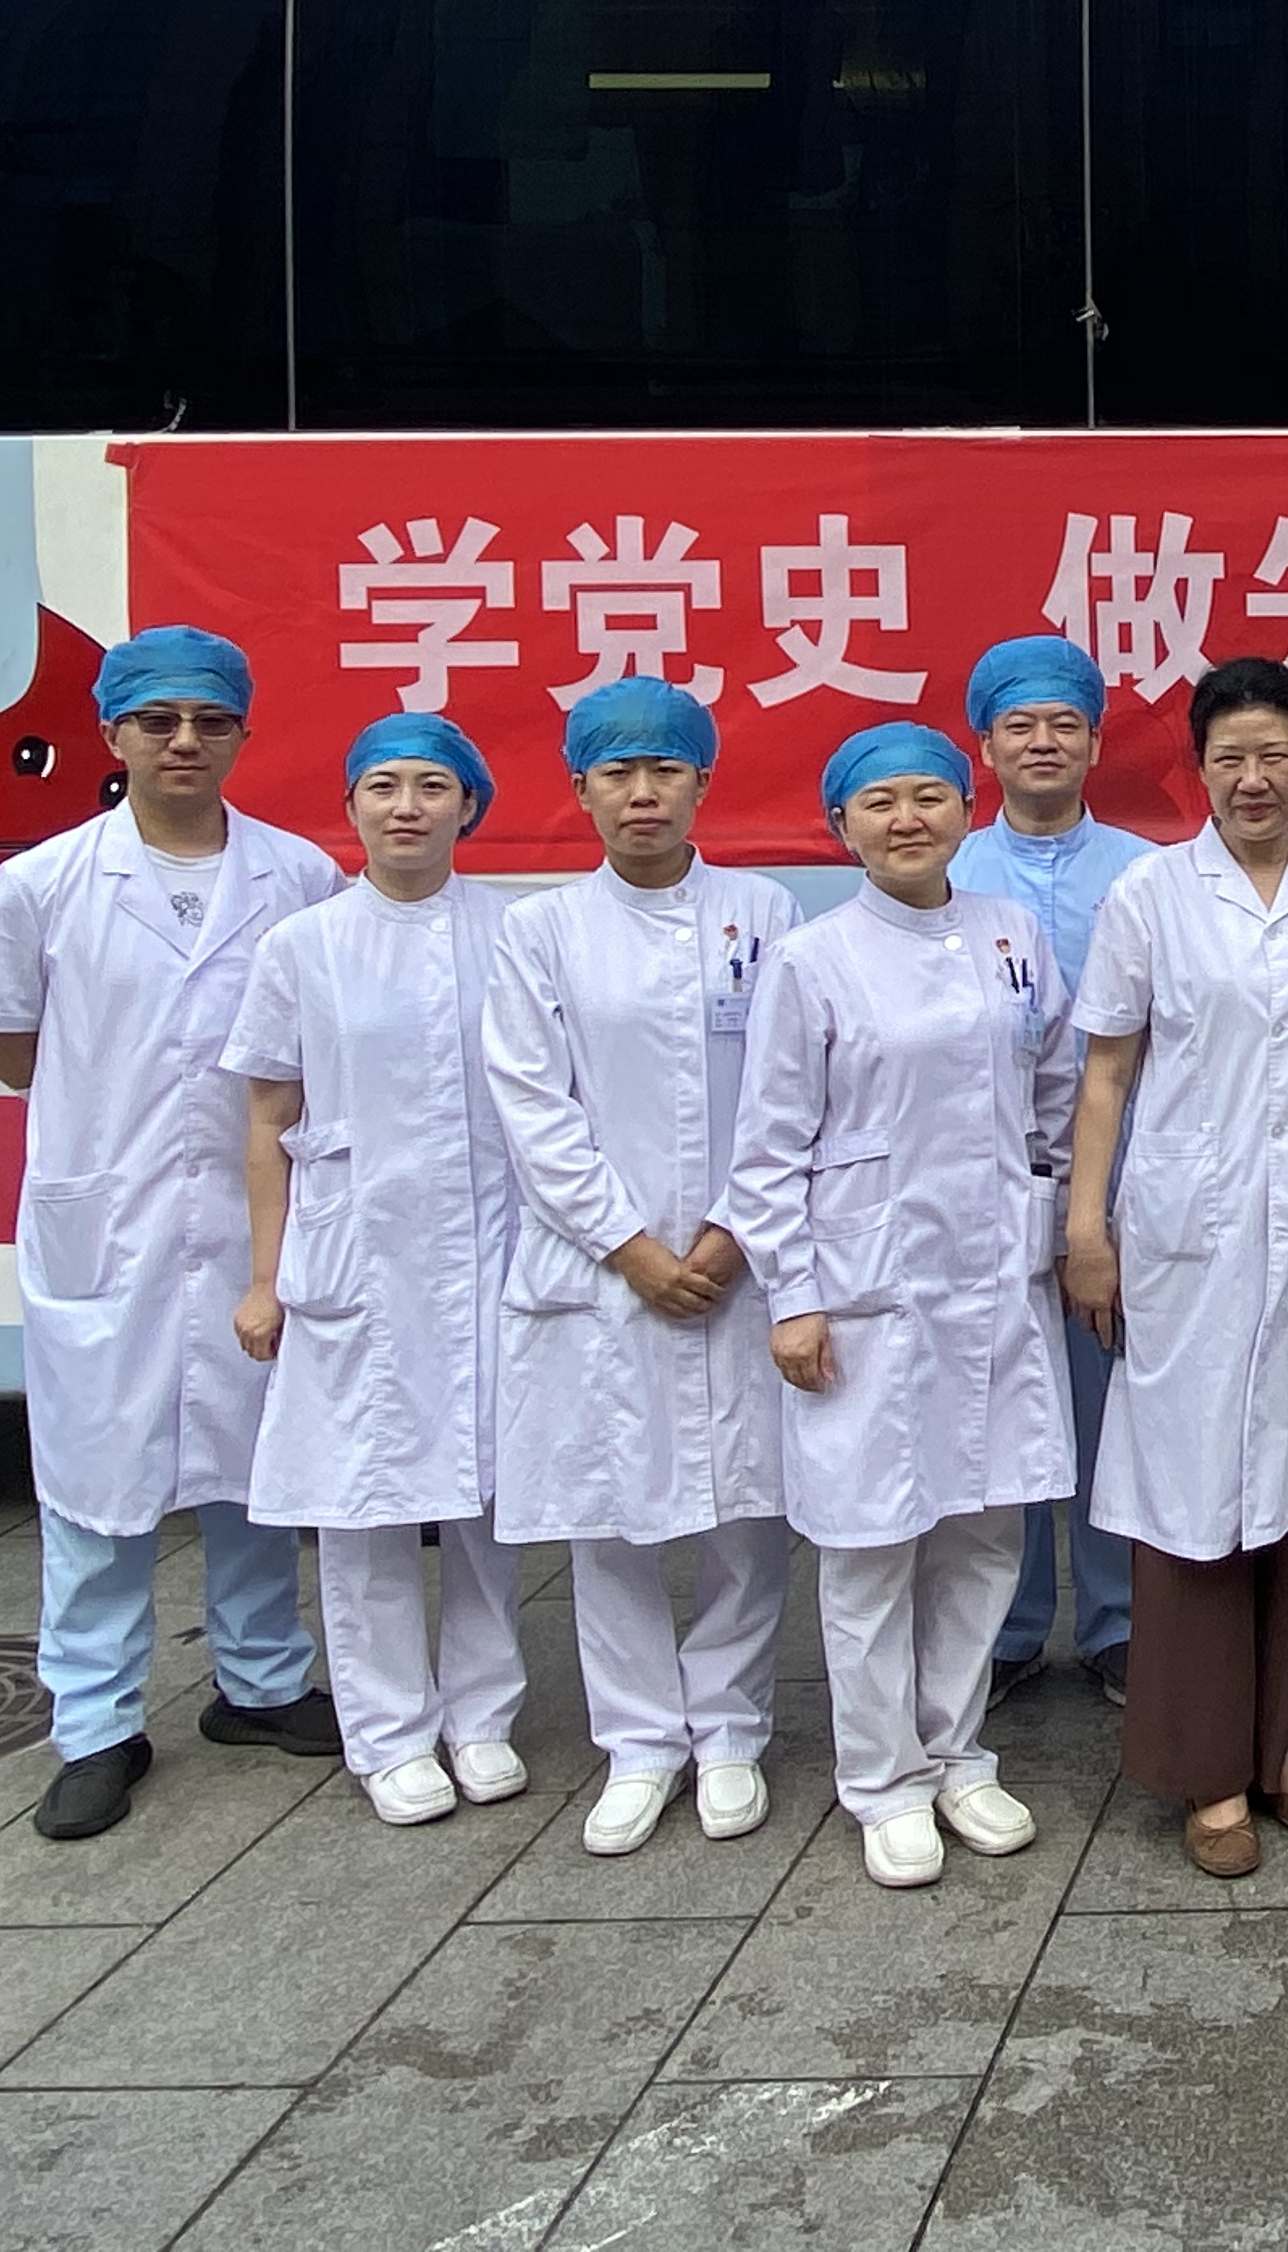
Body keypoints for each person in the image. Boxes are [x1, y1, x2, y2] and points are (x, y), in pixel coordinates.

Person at [0, 626, 349, 1843]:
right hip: (107, 1223)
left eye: (210, 721)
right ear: (112, 735)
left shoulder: (298, 876)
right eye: (158, 721)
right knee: (95, 1481)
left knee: (256, 1468)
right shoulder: (43, 883)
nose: (185, 741)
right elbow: (11, 1046)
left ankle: (260, 1683)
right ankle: (94, 1726)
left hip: (251, 1218)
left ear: (242, 734)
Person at [1063, 657, 1288, 1880]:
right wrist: (1088, 1229)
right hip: (1186, 1238)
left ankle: (1273, 1753)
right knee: (1193, 1491)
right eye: (1229, 758)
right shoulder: (1152, 894)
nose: (1252, 778)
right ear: (1200, 769)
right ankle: (1204, 1769)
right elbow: (1107, 1071)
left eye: (1274, 756)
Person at [729, 723, 1075, 1889]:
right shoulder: (812, 960)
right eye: (879, 802)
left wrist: (1055, 1220)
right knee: (871, 1542)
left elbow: (1056, 1089)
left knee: (983, 1529)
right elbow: (768, 1149)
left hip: (994, 1283)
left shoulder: (1012, 934)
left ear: (966, 811)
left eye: (930, 796)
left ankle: (958, 1752)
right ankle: (882, 1780)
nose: (908, 819)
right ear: (842, 826)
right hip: (864, 1293)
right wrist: (793, 1297)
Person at [481, 679, 796, 1860]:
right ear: (580, 790)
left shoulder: (765, 913)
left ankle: (731, 1731)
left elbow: (788, 1091)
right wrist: (632, 1248)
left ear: (703, 783)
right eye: (617, 774)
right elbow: (533, 1108)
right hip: (600, 1270)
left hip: (737, 1258)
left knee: (746, 1510)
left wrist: (728, 1233)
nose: (643, 794)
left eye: (666, 771)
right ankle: (639, 1741)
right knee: (606, 1512)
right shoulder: (541, 931)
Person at [226, 712, 527, 1827]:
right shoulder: (302, 946)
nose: (408, 807)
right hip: (353, 1253)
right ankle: (390, 1733)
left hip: (493, 1246)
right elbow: (269, 1117)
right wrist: (264, 1278)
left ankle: (483, 1715)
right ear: (350, 806)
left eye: (433, 787)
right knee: (362, 1501)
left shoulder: (514, 933)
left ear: (469, 807)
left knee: (494, 1497)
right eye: (384, 786)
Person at [954, 634, 1161, 1710]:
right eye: (1019, 726)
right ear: (985, 748)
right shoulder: (947, 870)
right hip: (981, 1177)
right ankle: (1009, 1623)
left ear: (1094, 743)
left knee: (1115, 1397)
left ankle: (1121, 1621)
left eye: (1064, 725)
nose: (1043, 743)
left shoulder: (1149, 872)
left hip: (1122, 1176)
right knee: (1001, 1401)